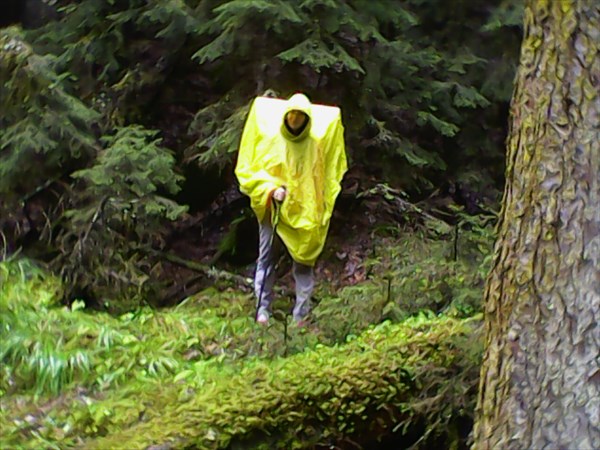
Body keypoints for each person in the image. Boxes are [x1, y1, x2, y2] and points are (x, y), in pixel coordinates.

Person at [235, 93, 347, 325]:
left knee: (304, 263)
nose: (295, 119)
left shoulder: (316, 143)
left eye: (300, 115)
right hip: (273, 210)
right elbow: (250, 172)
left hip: (305, 213)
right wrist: (270, 189)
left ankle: (301, 316)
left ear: (307, 118)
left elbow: (324, 178)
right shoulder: (272, 139)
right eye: (292, 114)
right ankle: (262, 309)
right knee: (266, 258)